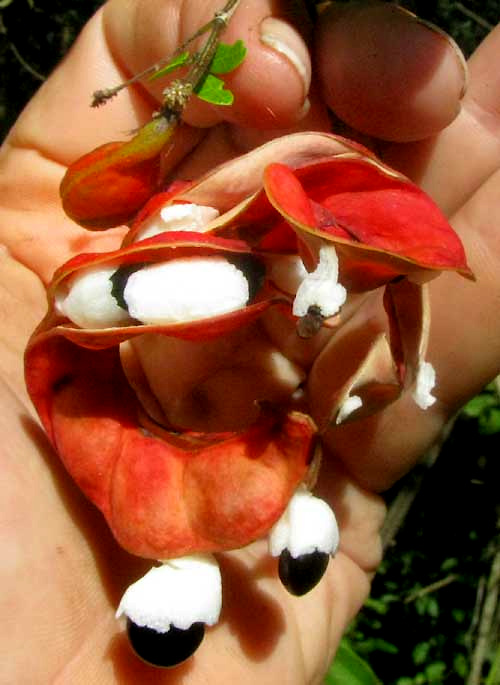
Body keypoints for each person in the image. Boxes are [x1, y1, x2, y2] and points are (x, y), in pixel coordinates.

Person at [0, 1, 499, 682]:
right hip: (146, 386)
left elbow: (394, 302)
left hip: (247, 420)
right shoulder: (166, 260)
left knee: (259, 475)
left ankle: (283, 527)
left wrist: (401, 371)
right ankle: (211, 558)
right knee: (190, 493)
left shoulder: (287, 282)